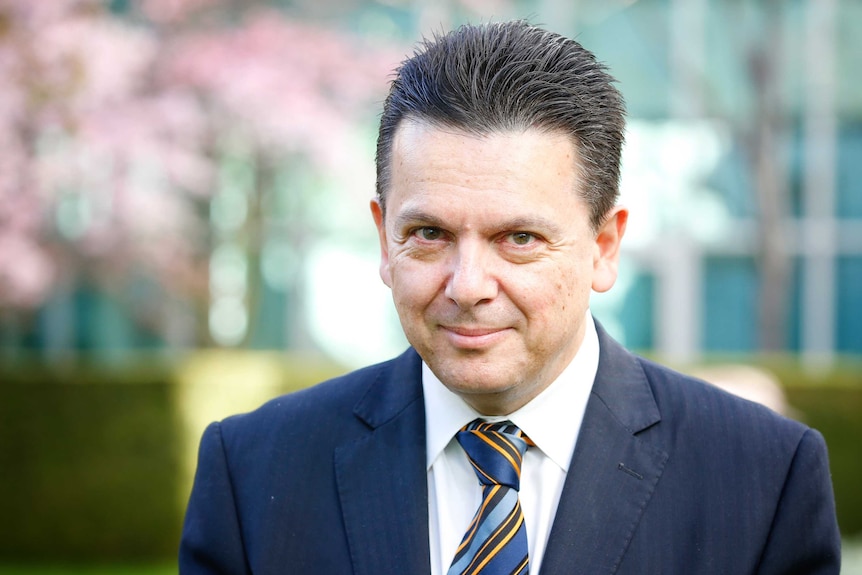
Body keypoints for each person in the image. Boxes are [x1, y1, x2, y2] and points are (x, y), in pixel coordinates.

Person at [179, 20, 841, 574]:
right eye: (429, 233)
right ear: (384, 240)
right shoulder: (253, 472)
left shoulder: (764, 480)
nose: (467, 286)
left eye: (518, 237)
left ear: (604, 246)